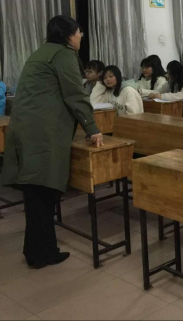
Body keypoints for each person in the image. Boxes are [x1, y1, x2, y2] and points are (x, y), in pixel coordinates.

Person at [1, 15, 103, 269]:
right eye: (78, 32)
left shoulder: (39, 53)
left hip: (24, 130)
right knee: (43, 194)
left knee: (36, 196)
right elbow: (75, 95)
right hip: (42, 134)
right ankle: (40, 254)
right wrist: (92, 128)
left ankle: (39, 250)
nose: (81, 37)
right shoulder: (64, 55)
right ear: (68, 35)